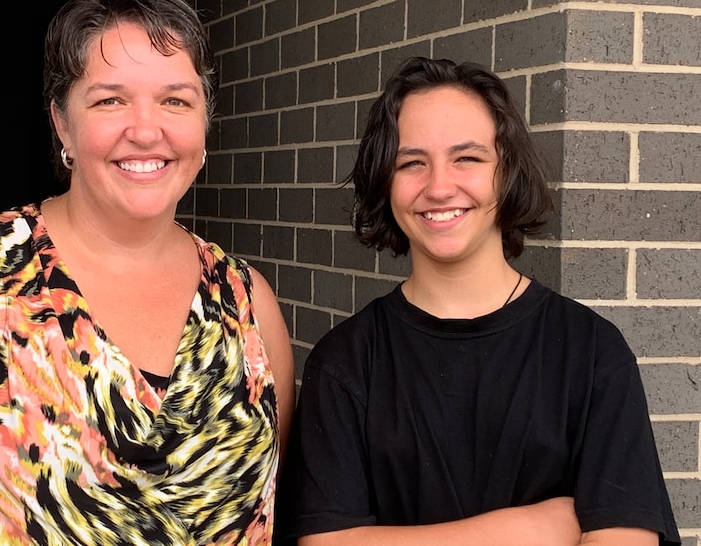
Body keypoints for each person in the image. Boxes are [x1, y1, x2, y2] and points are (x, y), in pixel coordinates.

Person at [0, 0, 294, 545]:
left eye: (175, 100)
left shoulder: (248, 304)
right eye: (110, 99)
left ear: (204, 126)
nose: (146, 130)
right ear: (62, 123)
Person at [280, 57, 680, 545]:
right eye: (412, 163)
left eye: (467, 158)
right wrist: (534, 529)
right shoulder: (345, 363)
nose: (439, 187)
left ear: (507, 171)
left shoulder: (591, 352)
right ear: (386, 182)